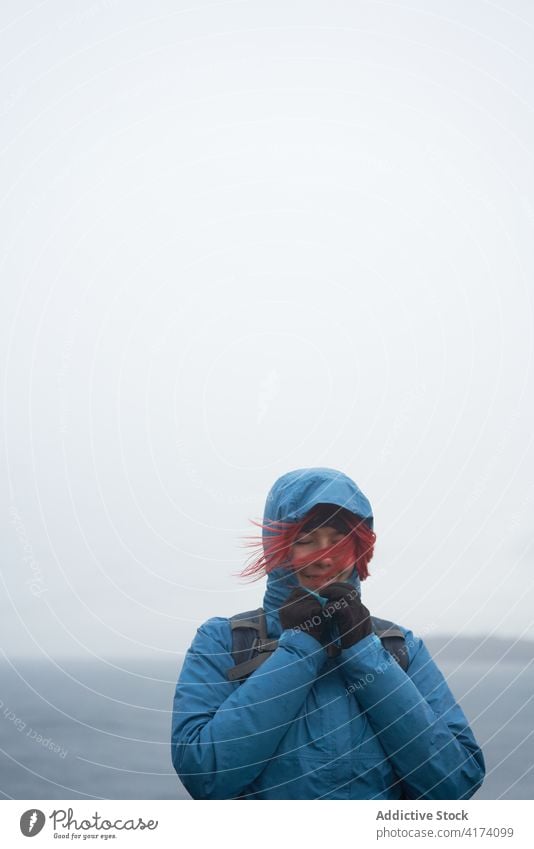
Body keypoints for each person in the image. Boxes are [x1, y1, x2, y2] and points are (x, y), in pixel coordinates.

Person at [171, 467, 485, 799]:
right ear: (277, 550)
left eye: (339, 541)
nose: (325, 557)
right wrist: (299, 649)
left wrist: (364, 653)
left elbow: (455, 784)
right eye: (305, 541)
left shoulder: (399, 647)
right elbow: (205, 776)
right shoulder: (224, 640)